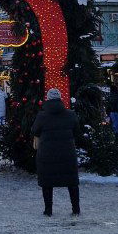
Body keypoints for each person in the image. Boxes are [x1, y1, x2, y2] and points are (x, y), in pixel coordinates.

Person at [32, 88, 81, 217]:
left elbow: (35, 131)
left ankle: (48, 210)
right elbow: (77, 132)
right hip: (67, 153)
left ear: (47, 99)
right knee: (72, 182)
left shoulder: (41, 116)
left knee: (47, 182)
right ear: (60, 99)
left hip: (47, 154)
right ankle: (76, 208)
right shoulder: (71, 114)